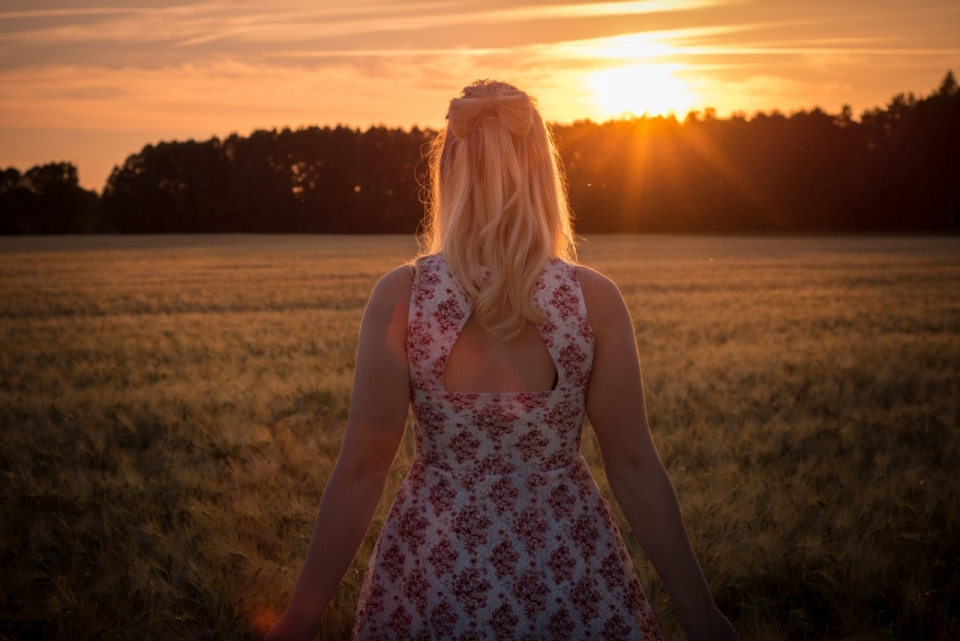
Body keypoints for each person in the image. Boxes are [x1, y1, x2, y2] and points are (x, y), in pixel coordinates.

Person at [264, 80, 739, 641]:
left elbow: (364, 468)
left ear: (449, 173)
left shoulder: (402, 297)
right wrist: (699, 612)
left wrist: (302, 614)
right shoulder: (593, 300)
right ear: (543, 173)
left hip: (432, 572)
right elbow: (634, 468)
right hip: (567, 571)